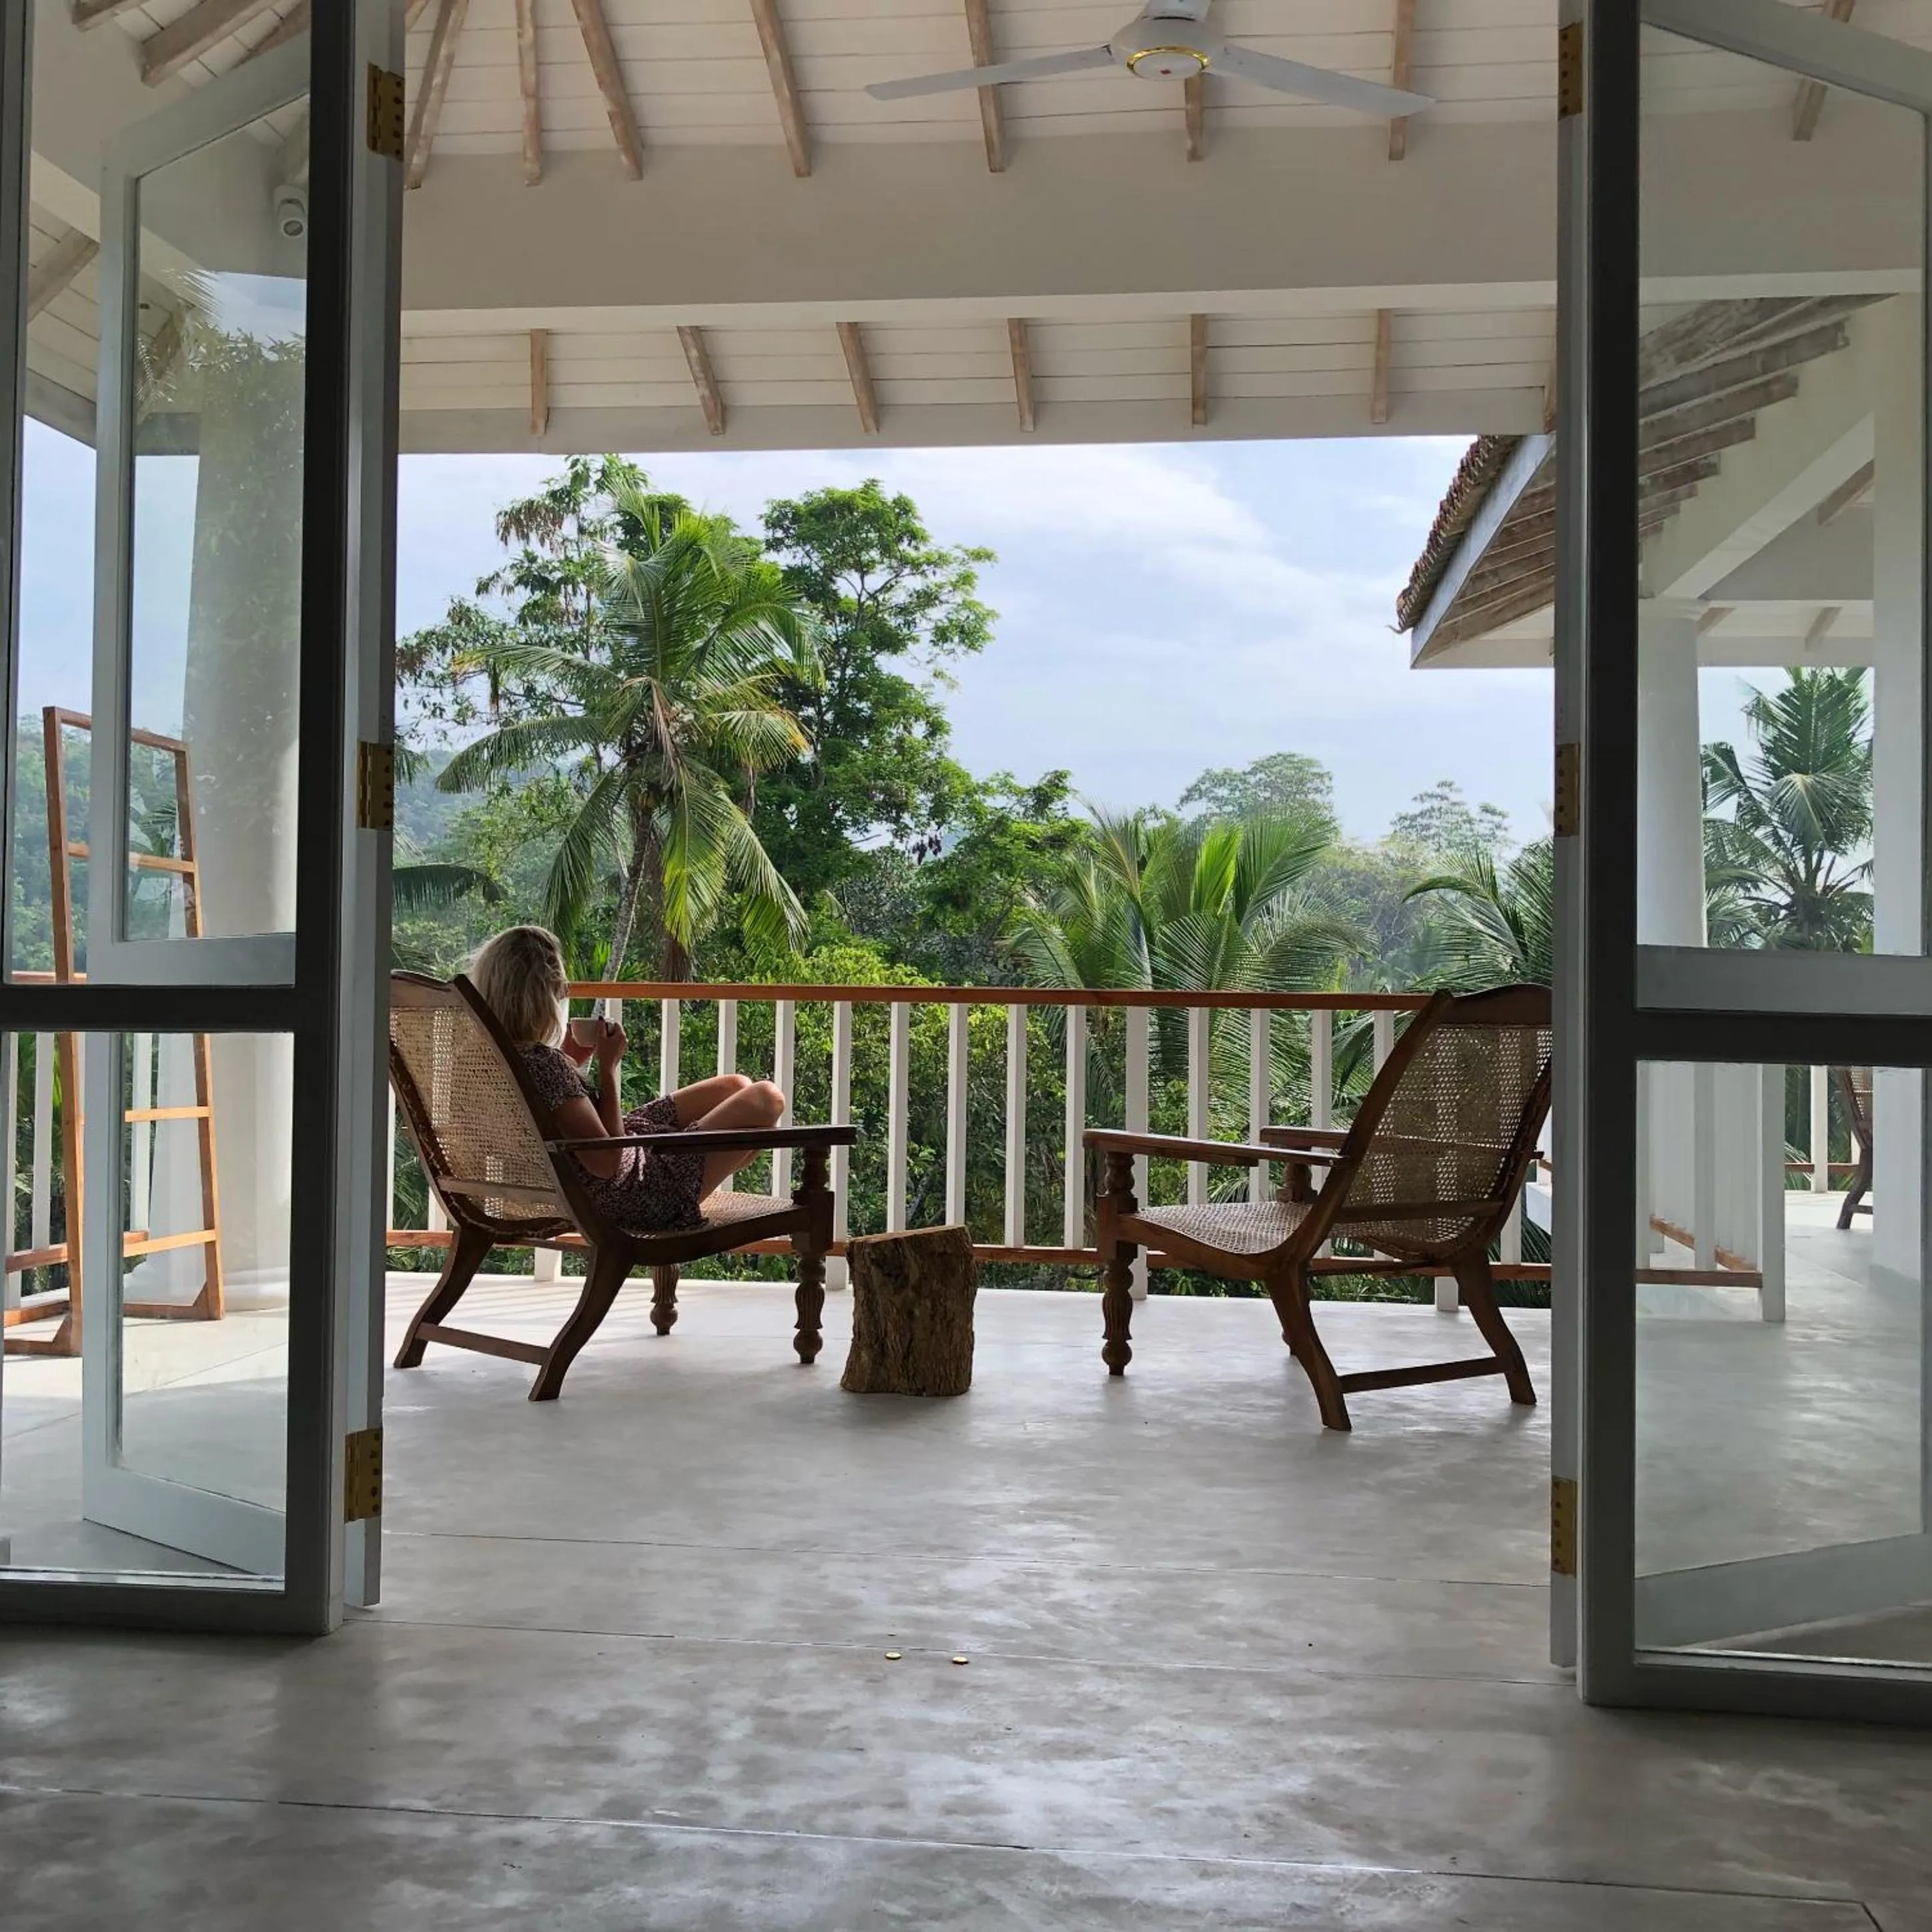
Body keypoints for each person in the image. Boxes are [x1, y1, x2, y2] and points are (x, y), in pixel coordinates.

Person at [467, 924, 786, 1230]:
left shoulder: (487, 1058)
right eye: (558, 988)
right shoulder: (542, 1064)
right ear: (539, 996)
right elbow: (607, 1164)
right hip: (636, 1193)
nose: (564, 993)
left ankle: (698, 1168)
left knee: (736, 1087)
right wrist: (608, 1069)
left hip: (599, 1179)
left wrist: (573, 1064)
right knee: (766, 1098)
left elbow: (569, 1127)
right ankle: (690, 1182)